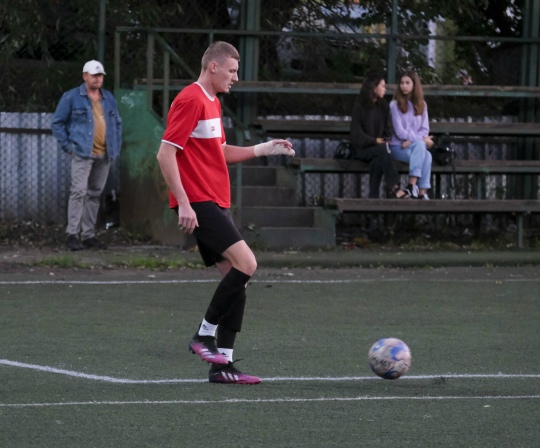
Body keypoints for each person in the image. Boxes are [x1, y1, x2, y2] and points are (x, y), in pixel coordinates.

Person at [156, 41, 295, 385]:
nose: (235, 77)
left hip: (214, 201)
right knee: (247, 263)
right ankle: (203, 335)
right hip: (199, 201)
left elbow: (219, 152)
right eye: (232, 71)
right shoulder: (190, 99)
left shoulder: (213, 102)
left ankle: (222, 366)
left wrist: (265, 149)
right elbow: (165, 154)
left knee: (237, 280)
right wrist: (184, 202)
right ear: (213, 67)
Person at [51, 60, 122, 250]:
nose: (98, 79)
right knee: (78, 192)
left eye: (100, 76)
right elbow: (57, 123)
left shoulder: (108, 98)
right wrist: (69, 147)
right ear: (85, 76)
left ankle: (88, 234)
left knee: (95, 194)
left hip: (104, 154)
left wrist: (115, 146)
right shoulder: (71, 97)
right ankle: (72, 235)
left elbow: (117, 123)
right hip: (82, 153)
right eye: (94, 75)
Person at [350, 73, 409, 199]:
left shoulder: (383, 106)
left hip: (378, 149)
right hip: (362, 149)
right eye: (382, 86)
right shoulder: (359, 106)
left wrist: (385, 138)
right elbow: (356, 134)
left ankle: (373, 200)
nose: (385, 89)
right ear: (374, 87)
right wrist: (374, 141)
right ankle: (395, 187)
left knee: (377, 162)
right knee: (381, 150)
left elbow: (388, 128)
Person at [389, 70, 433, 200]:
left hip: (413, 146)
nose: (404, 86)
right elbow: (399, 132)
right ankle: (416, 189)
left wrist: (411, 141)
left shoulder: (422, 105)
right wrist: (419, 140)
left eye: (407, 83)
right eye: (402, 83)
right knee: (424, 152)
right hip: (398, 146)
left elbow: (425, 129)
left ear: (414, 85)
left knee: (426, 154)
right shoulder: (394, 105)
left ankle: (419, 191)